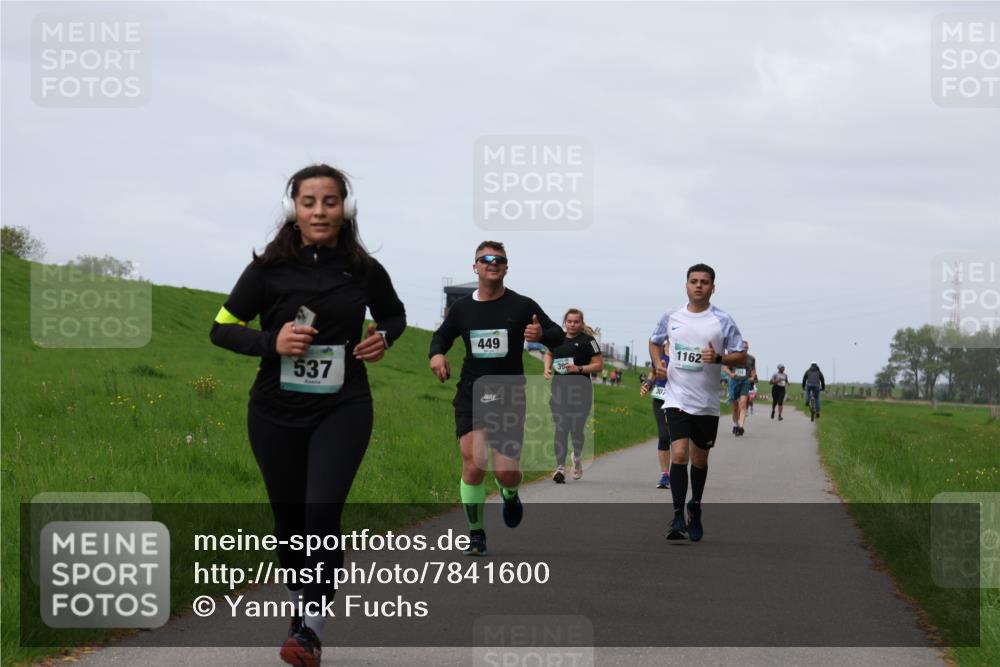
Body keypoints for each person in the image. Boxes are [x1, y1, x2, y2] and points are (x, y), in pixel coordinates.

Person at [210, 164, 406, 667]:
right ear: (292, 210)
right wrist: (269, 342)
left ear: (346, 209)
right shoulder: (267, 270)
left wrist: (382, 338)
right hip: (274, 409)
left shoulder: (363, 270)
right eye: (309, 202)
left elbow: (395, 315)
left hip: (343, 407)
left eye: (331, 201)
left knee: (321, 511)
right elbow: (222, 327)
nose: (320, 211)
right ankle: (299, 612)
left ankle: (312, 627)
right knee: (289, 520)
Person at [429, 241, 563, 557]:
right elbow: (441, 336)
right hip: (472, 393)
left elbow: (557, 334)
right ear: (474, 266)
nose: (493, 262)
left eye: (499, 259)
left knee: (505, 472)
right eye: (486, 259)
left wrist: (541, 335)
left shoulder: (521, 306)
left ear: (506, 267)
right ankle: (476, 535)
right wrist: (436, 355)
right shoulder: (461, 309)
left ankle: (510, 492)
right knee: (474, 462)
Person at [649, 263, 746, 542]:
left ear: (713, 287)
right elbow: (654, 341)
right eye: (694, 281)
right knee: (679, 454)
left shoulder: (722, 320)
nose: (699, 286)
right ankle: (677, 515)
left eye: (704, 282)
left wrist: (719, 359)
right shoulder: (671, 316)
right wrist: (658, 364)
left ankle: (695, 506)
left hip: (706, 402)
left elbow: (740, 355)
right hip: (677, 397)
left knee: (700, 460)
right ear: (686, 286)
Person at [544, 309, 603, 483]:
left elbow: (599, 365)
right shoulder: (557, 339)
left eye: (576, 322)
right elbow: (549, 353)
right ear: (565, 322)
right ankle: (560, 467)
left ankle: (576, 458)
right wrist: (547, 367)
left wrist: (580, 369)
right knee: (561, 427)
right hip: (559, 391)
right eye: (569, 321)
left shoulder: (589, 341)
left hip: (581, 391)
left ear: (582, 323)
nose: (572, 324)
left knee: (576, 428)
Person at [640, 341, 671, 488]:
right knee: (664, 435)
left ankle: (678, 471)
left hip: (680, 400)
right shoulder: (659, 355)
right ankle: (665, 474)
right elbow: (653, 373)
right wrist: (647, 384)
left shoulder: (682, 353)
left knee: (678, 438)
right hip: (660, 398)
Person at [723, 341, 756, 436]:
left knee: (742, 405)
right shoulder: (734, 357)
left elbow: (753, 370)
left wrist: (753, 377)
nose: (745, 348)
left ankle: (741, 427)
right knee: (735, 407)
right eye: (744, 347)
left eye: (747, 347)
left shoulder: (751, 358)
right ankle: (735, 425)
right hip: (734, 382)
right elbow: (725, 367)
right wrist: (730, 373)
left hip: (745, 382)